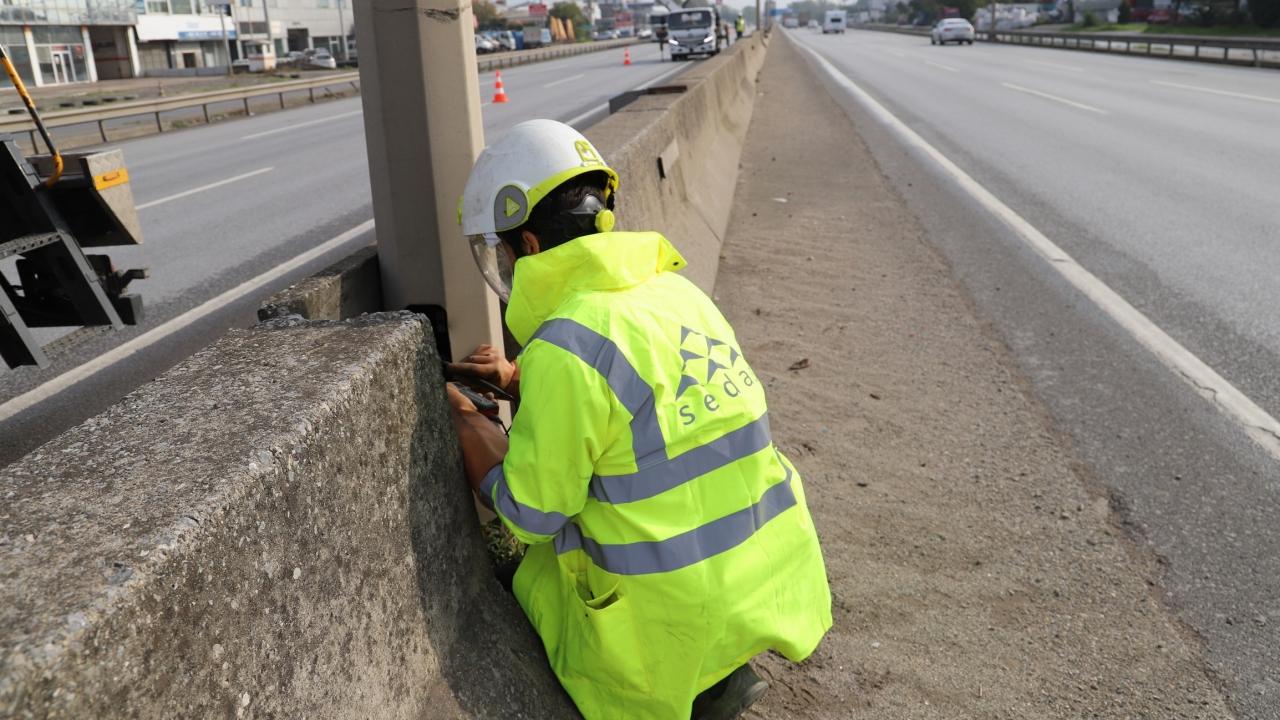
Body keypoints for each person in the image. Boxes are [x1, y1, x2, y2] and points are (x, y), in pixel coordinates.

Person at [448, 119, 832, 720]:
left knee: (529, 576)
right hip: (760, 582)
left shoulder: (565, 348)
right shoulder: (680, 296)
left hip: (658, 629)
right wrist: (523, 380)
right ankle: (719, 678)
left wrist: (468, 419)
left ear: (526, 247)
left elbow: (529, 514)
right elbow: (646, 404)